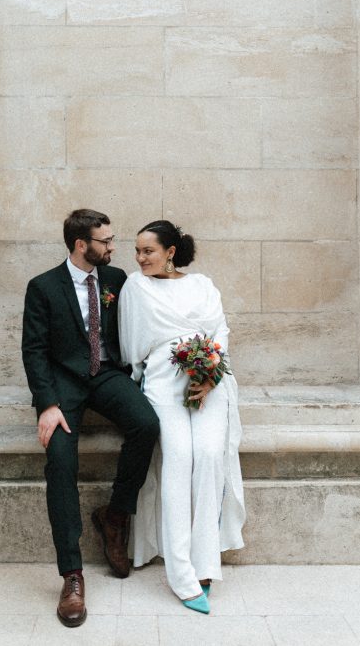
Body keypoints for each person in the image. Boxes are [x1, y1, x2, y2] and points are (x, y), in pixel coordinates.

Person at [21, 209, 160, 628]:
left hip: (108, 375)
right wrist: (47, 404)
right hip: (64, 386)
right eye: (106, 242)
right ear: (81, 245)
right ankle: (72, 575)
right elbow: (33, 350)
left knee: (147, 425)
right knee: (61, 459)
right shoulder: (43, 287)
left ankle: (115, 516)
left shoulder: (117, 280)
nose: (114, 248)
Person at [118, 220, 246, 615]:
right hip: (161, 381)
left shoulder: (203, 285)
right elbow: (131, 346)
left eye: (148, 251)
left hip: (209, 380)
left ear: (170, 251)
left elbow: (219, 331)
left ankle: (205, 563)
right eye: (137, 251)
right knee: (178, 459)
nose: (139, 258)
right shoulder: (136, 287)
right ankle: (181, 575)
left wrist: (210, 375)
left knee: (209, 457)